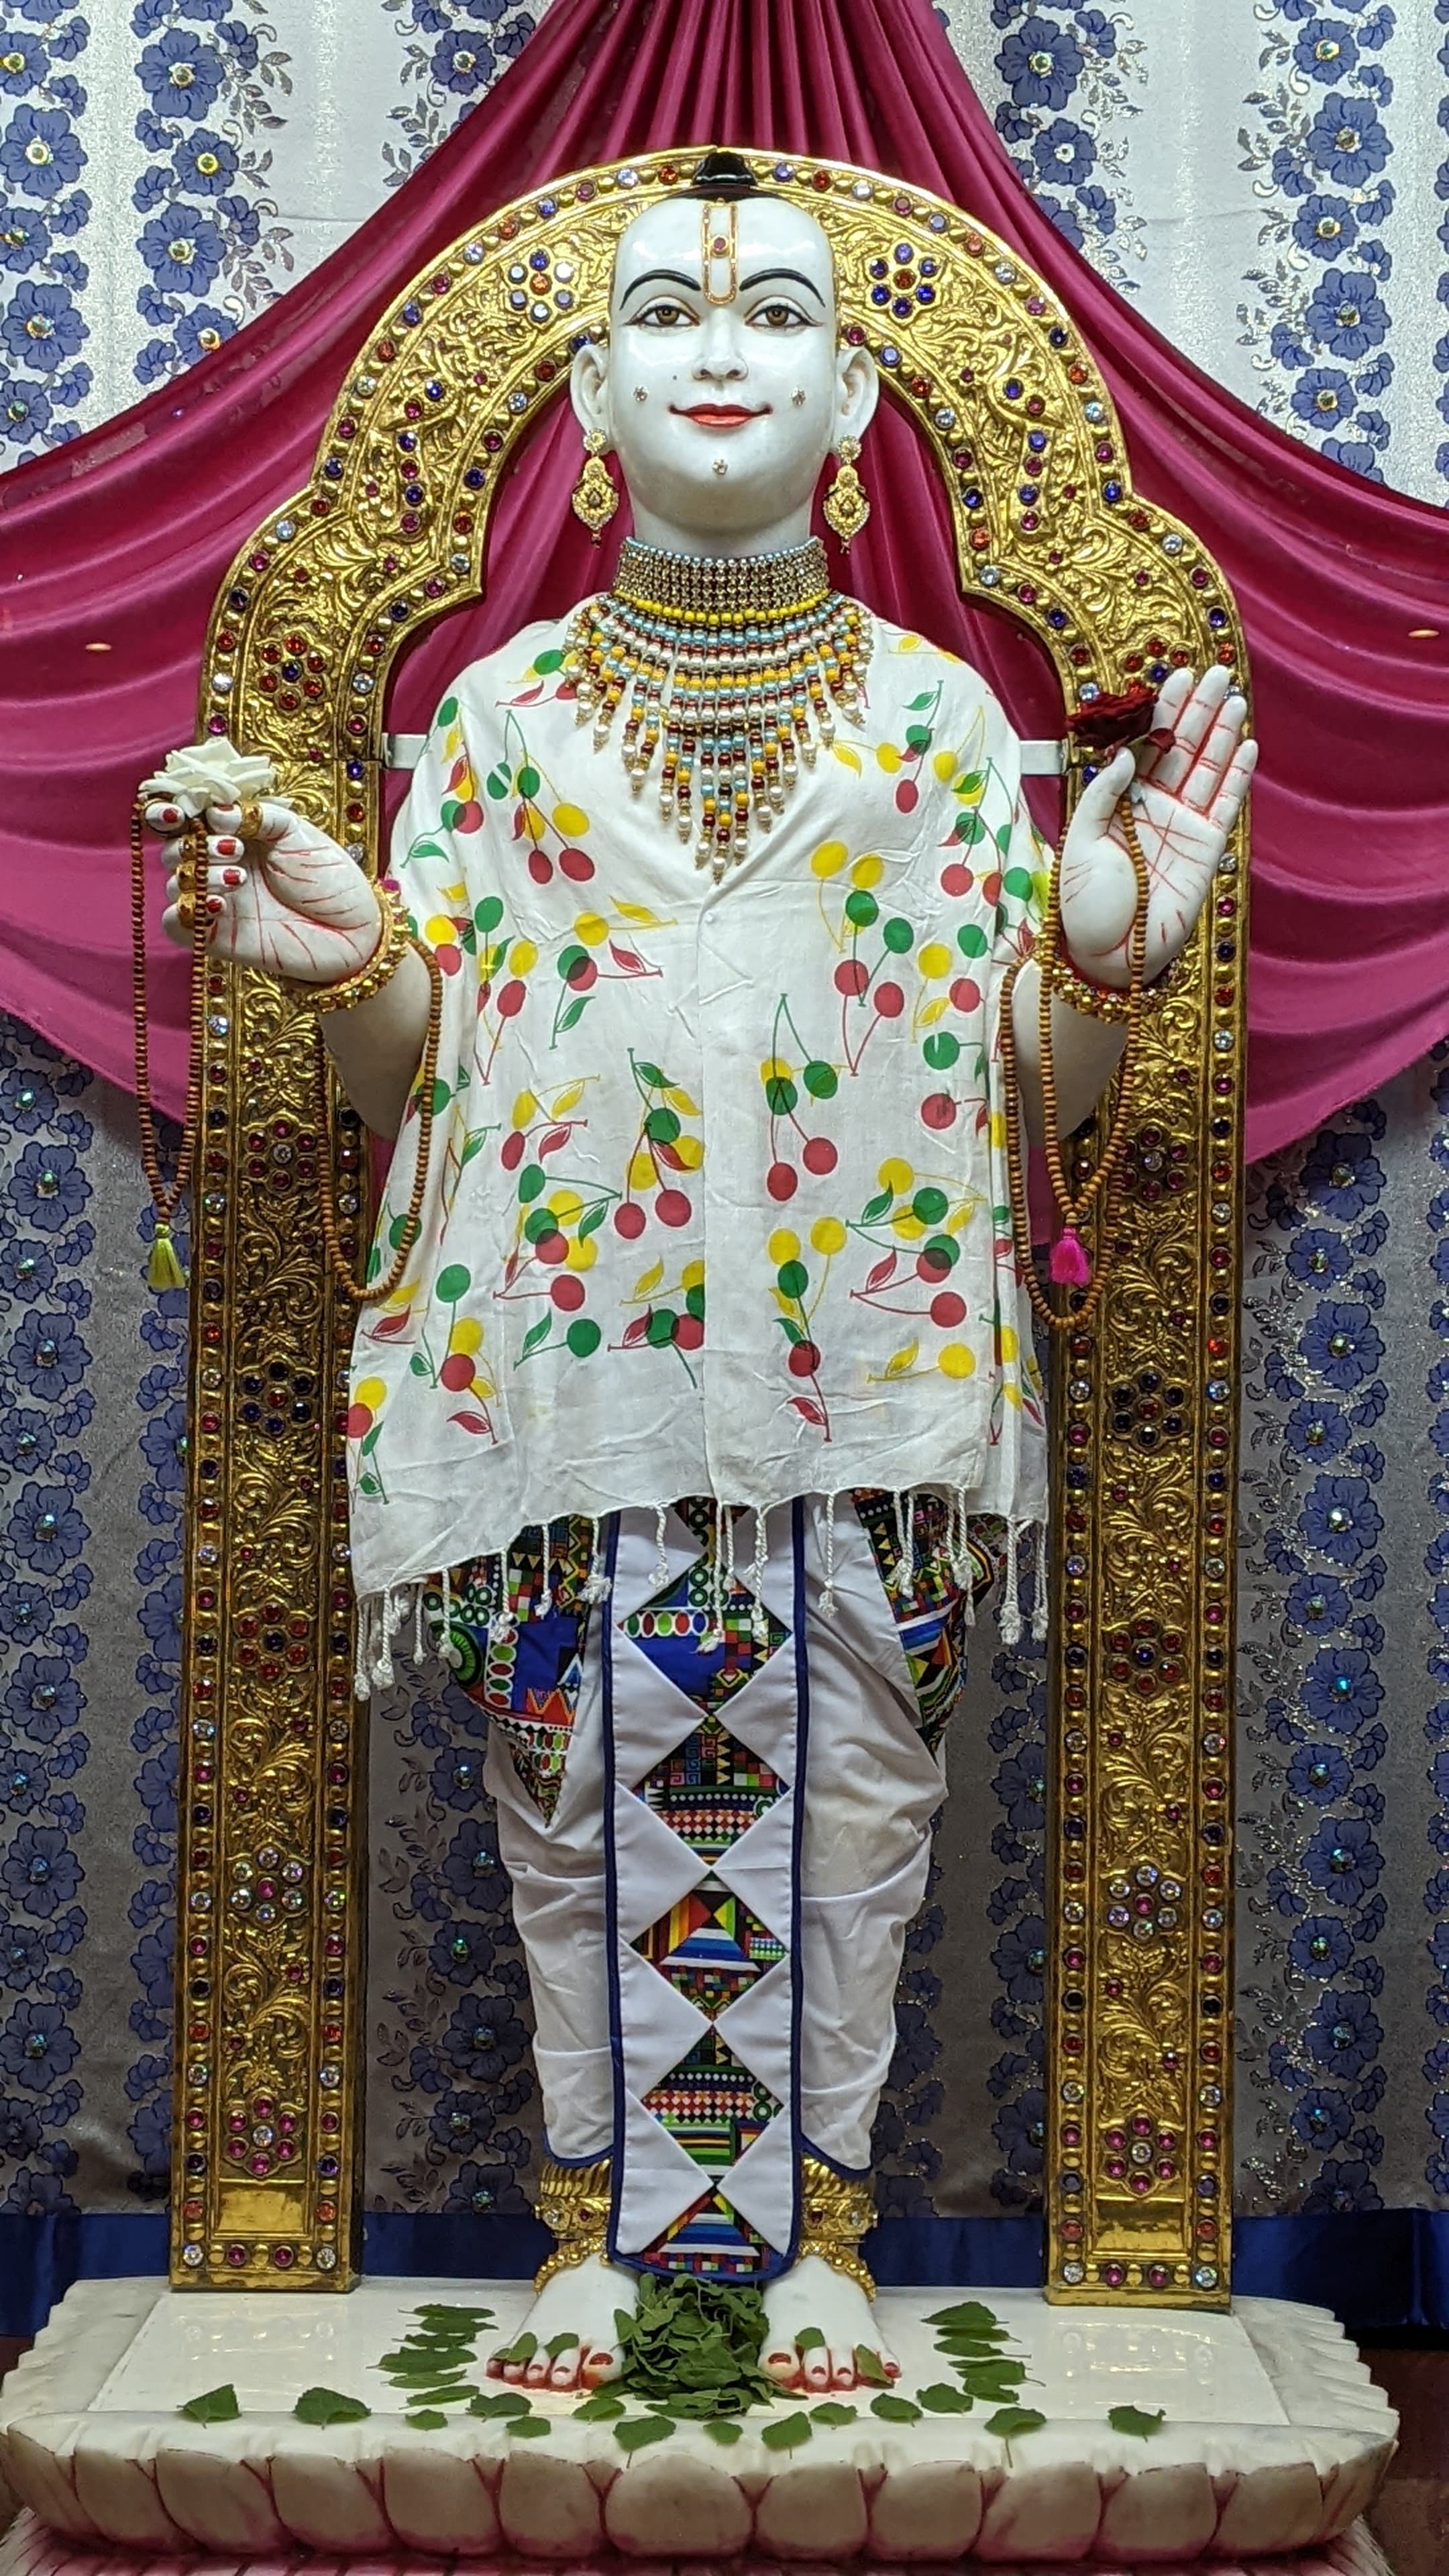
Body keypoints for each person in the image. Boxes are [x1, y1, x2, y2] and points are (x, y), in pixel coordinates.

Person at [145, 154, 1254, 2398]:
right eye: (664, 313)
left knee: (861, 1818)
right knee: (570, 1806)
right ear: (585, 400)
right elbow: (428, 1070)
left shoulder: (938, 724)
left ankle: (816, 2234)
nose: (722, 350)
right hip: (578, 1379)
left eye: (775, 319)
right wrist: (335, 959)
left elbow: (1017, 1088)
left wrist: (1116, 952)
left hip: (870, 1371)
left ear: (856, 407)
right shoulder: (503, 723)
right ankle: (599, 2232)